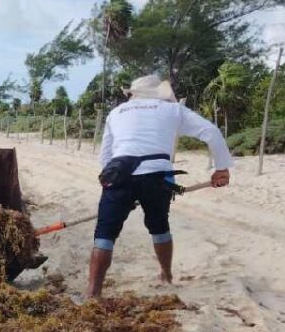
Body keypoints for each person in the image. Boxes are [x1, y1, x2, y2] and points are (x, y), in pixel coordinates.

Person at [87, 75, 232, 298]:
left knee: (104, 235)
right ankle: (166, 275)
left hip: (118, 175)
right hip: (158, 177)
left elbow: (106, 156)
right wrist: (221, 168)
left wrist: (115, 187)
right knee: (159, 227)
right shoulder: (172, 110)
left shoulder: (116, 113)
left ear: (132, 94)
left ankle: (93, 293)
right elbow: (211, 132)